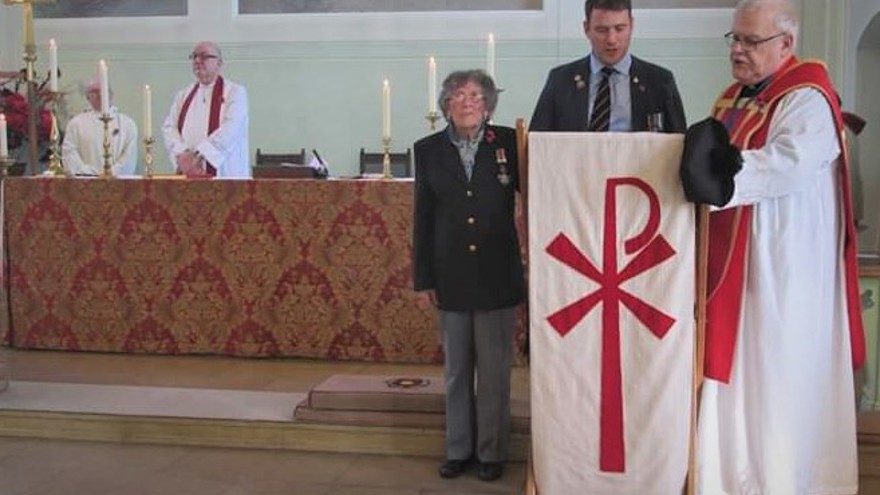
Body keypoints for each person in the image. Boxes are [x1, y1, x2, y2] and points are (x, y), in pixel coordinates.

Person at [681, 1, 866, 493]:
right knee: (737, 377)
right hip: (733, 272)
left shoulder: (807, 99)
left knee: (777, 379)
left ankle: (785, 482)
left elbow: (785, 164)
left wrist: (716, 177)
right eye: (734, 39)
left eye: (750, 41)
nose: (737, 50)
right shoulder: (732, 98)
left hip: (785, 271)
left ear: (786, 44)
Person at [412, 69, 523, 483]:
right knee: (457, 370)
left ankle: (492, 452)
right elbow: (422, 218)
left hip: (497, 273)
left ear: (489, 104)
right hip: (450, 274)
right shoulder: (428, 150)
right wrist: (423, 279)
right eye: (459, 94)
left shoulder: (510, 144)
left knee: (494, 370)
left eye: (477, 95)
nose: (468, 101)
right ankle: (458, 448)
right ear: (446, 103)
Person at [529, 0, 686, 133]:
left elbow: (679, 146)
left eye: (619, 29)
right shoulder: (560, 80)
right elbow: (537, 145)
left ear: (631, 26)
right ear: (586, 29)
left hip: (637, 169)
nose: (611, 39)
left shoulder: (659, 81)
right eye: (602, 30)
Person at [161, 41, 250, 178]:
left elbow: (231, 129)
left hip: (225, 174)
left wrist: (198, 156)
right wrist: (182, 154)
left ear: (219, 63)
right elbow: (169, 127)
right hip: (188, 171)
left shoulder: (235, 92)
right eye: (194, 56)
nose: (197, 60)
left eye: (204, 56)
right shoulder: (183, 95)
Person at [61, 79, 138, 176]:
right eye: (94, 91)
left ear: (111, 94)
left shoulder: (127, 123)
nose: (99, 94)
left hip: (118, 183)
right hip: (85, 182)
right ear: (87, 97)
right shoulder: (75, 123)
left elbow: (129, 156)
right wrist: (87, 172)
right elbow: (69, 152)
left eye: (103, 90)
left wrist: (111, 173)